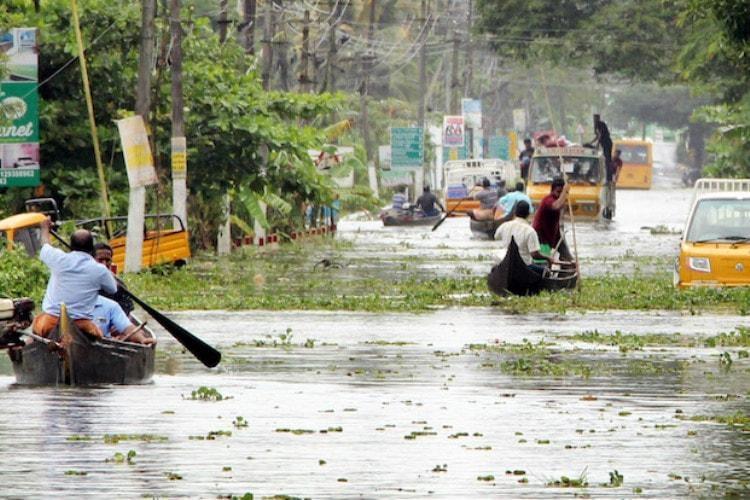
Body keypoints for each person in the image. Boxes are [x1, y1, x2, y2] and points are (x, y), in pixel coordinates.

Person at [32, 217, 117, 339]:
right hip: (81, 325)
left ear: (70, 246)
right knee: (98, 335)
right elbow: (112, 289)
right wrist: (107, 273)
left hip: (50, 323)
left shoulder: (59, 258)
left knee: (36, 324)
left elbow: (45, 245)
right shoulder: (100, 269)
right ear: (92, 249)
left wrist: (45, 229)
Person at [495, 201, 554, 275]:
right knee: (547, 272)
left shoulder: (504, 226)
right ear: (528, 214)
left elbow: (496, 236)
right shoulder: (530, 230)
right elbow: (534, 254)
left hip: (507, 265)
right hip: (524, 267)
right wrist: (548, 258)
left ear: (515, 213)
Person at [94, 242, 135, 315]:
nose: (104, 264)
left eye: (107, 260)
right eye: (100, 260)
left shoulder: (118, 284)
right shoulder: (80, 281)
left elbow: (127, 306)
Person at [532, 177, 570, 247]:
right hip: (541, 236)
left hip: (553, 235)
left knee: (565, 256)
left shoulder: (560, 200)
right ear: (552, 190)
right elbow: (557, 205)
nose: (560, 195)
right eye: (558, 192)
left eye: (562, 192)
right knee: (545, 255)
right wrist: (565, 191)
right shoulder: (548, 200)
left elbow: (561, 218)